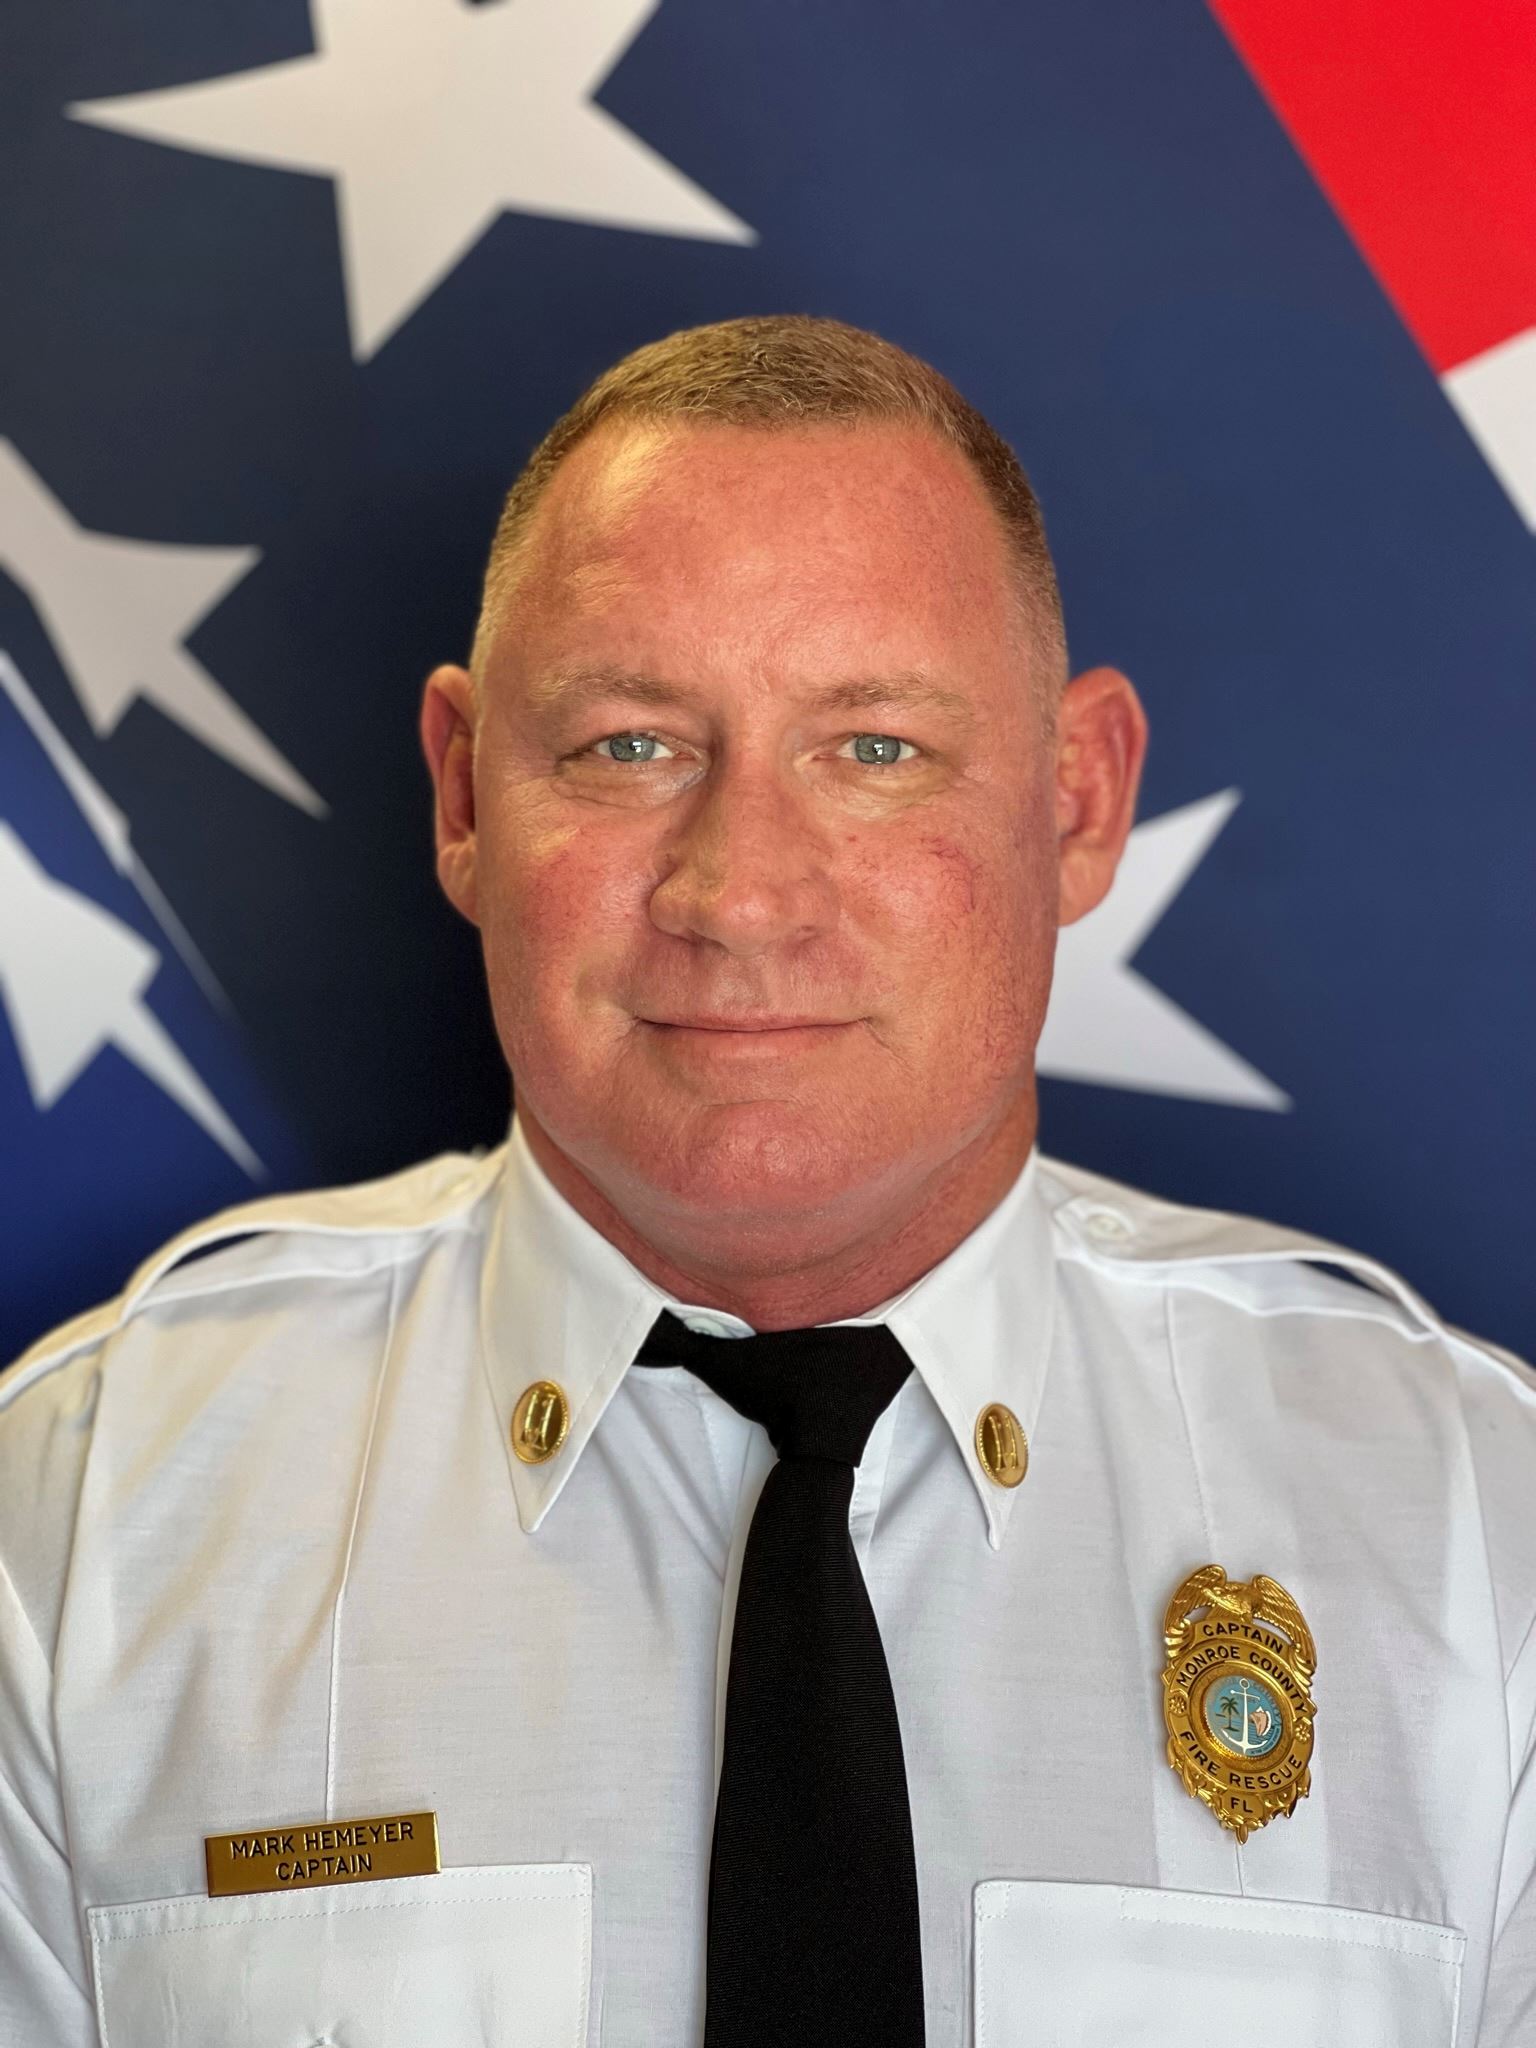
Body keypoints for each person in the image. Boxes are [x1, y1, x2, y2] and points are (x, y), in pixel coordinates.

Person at [1, 314, 1531, 2048]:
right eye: (628, 746)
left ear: (1078, 802)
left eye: (875, 748)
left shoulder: (1475, 1537)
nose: (739, 892)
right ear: (461, 795)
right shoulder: (76, 1531)